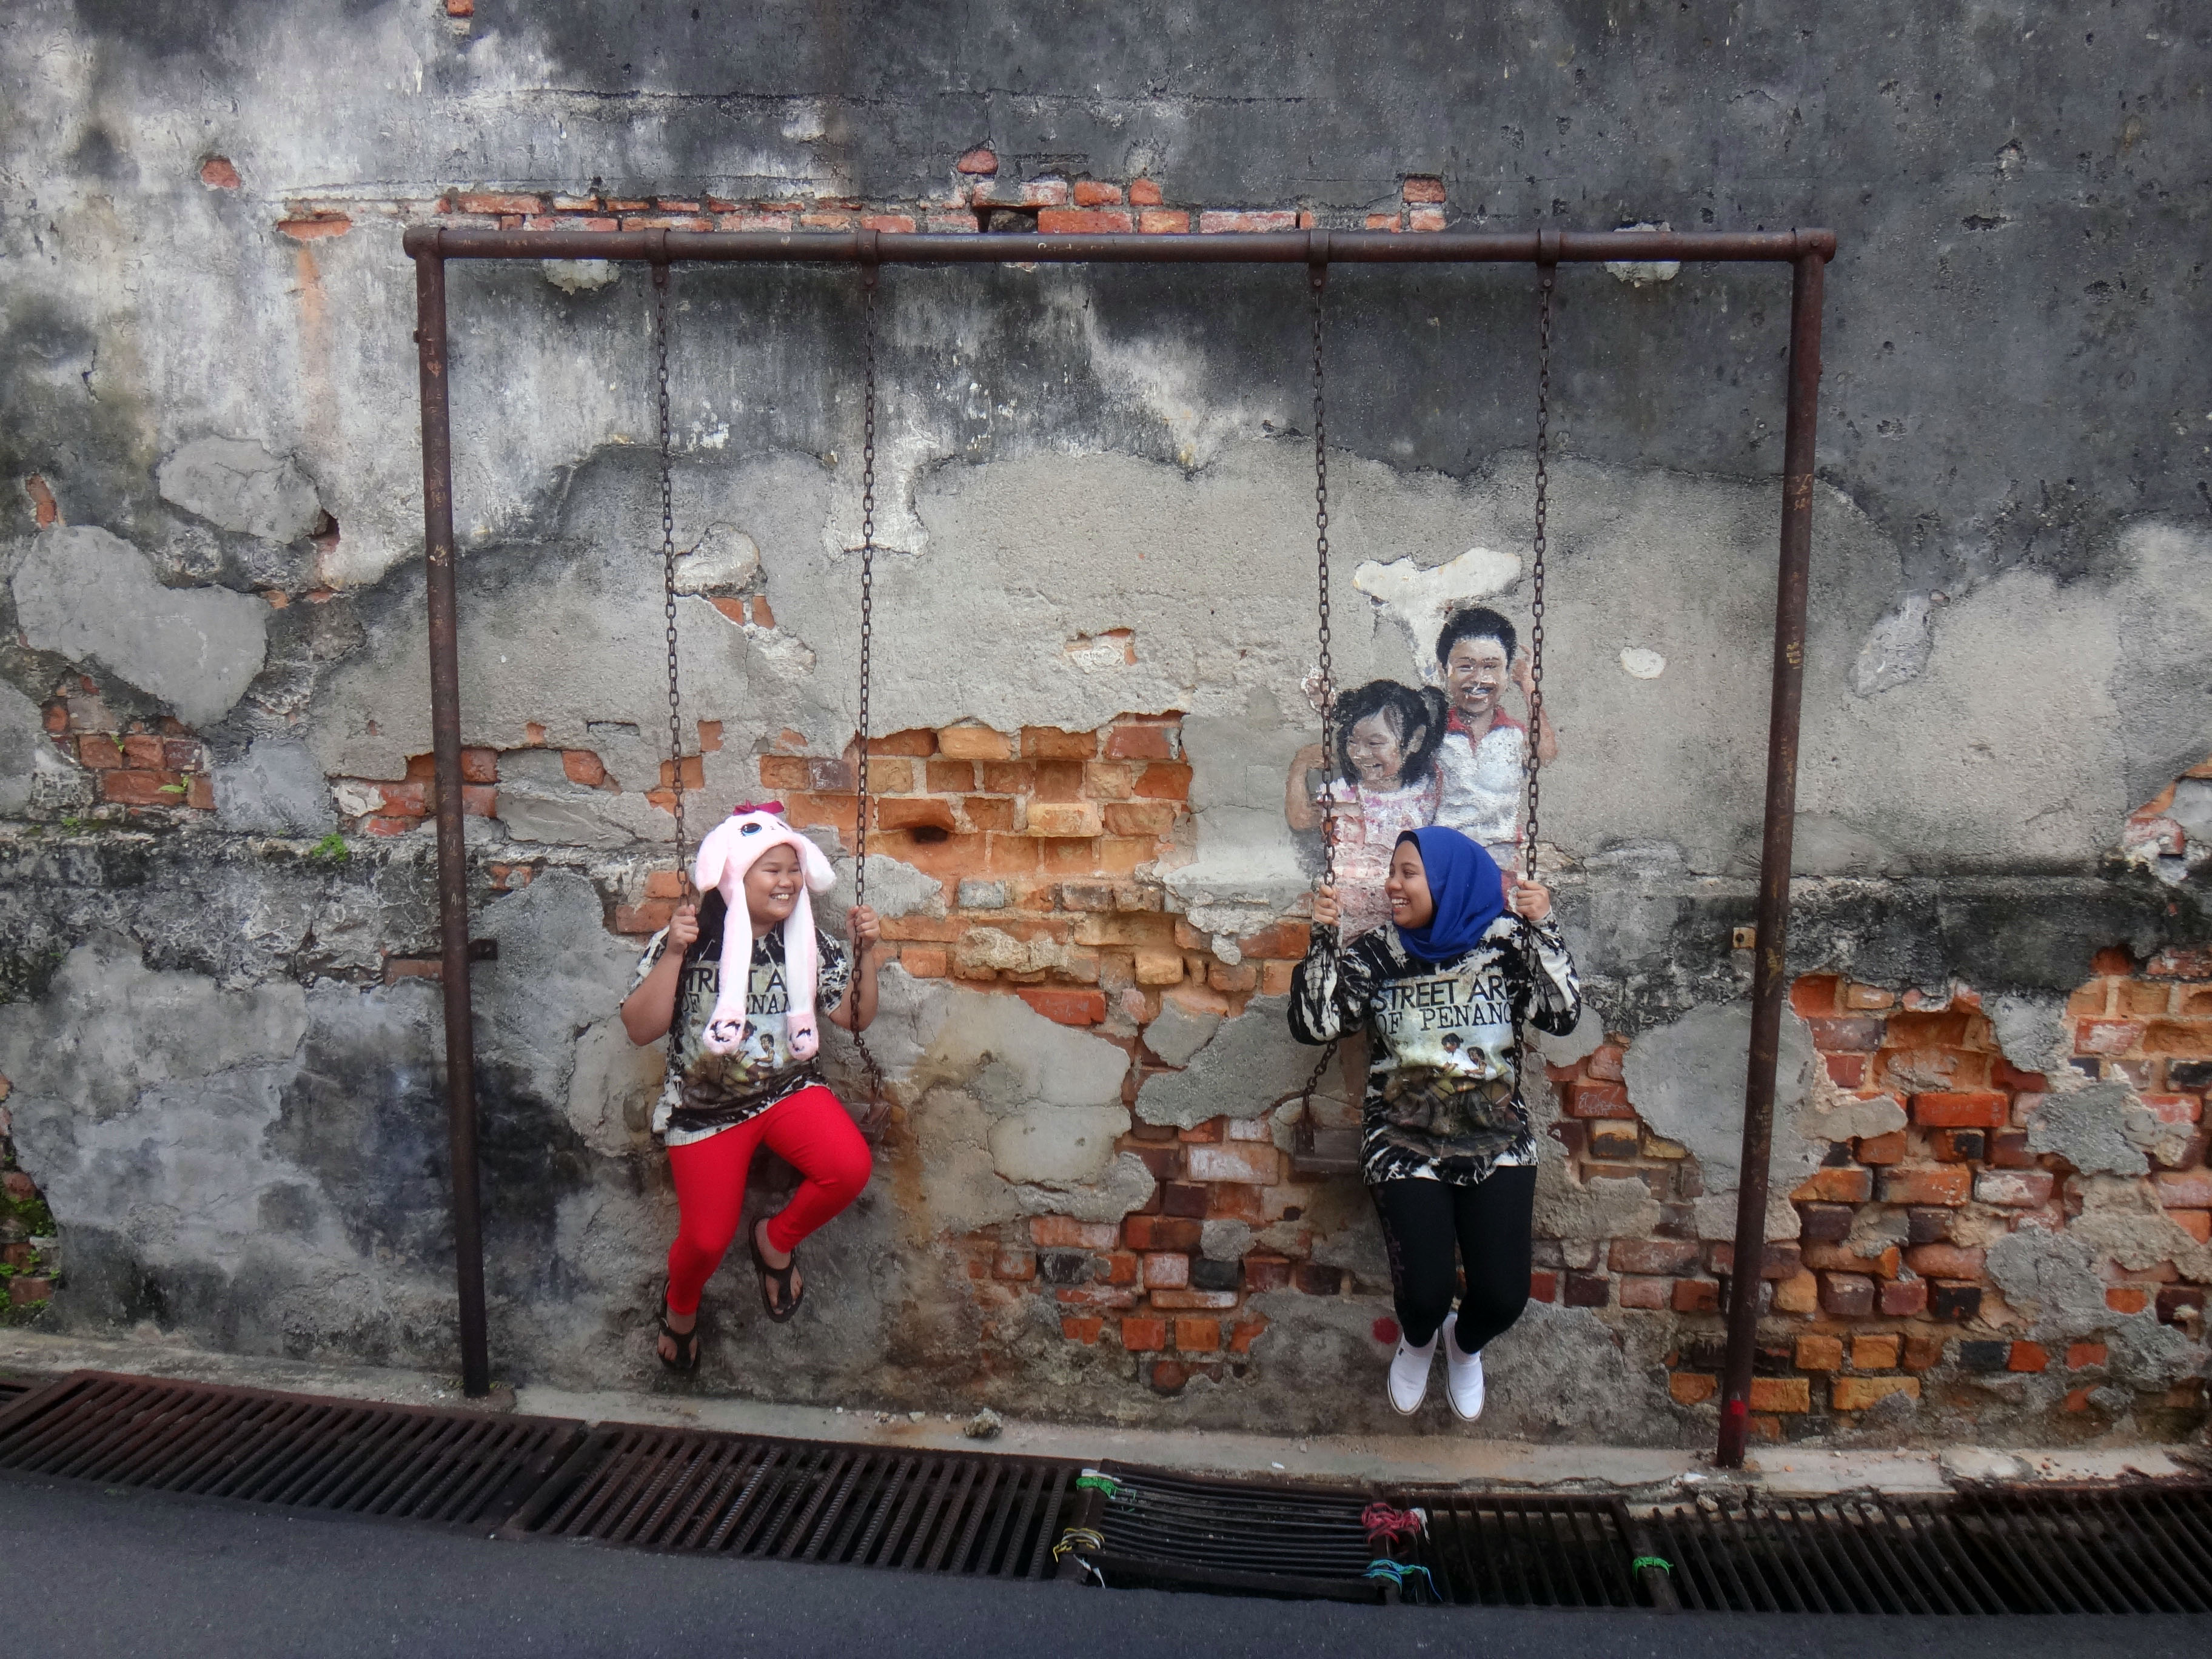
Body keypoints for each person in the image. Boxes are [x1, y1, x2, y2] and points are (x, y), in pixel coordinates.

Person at [1288, 825, 1580, 1420]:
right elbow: (1315, 1025)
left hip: (1494, 1137)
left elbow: (1563, 1013)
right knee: (1421, 1296)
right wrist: (1323, 940)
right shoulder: (1378, 954)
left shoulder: (1504, 945)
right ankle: (1421, 1338)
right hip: (1402, 1141)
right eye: (1392, 872)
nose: (1392, 885)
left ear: (1447, 881)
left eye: (1407, 873)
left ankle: (1464, 1345)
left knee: (1502, 1297)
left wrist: (1544, 925)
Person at [621, 804, 883, 1373]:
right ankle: (681, 1305)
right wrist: (671, 951)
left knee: (849, 1168)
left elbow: (854, 1019)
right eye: (773, 869)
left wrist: (866, 952)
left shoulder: (809, 944)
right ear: (738, 875)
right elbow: (640, 1028)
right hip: (704, 1109)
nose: (788, 881)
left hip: (787, 1090)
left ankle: (775, 1239)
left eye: (794, 868)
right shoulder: (692, 939)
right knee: (706, 1242)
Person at [1284, 679, 1444, 939]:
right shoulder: (1344, 794)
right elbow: (1301, 819)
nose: (1360, 754)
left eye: (1375, 743)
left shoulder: (1427, 794)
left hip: (1410, 924)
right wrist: (1300, 766)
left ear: (1415, 741)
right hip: (1351, 927)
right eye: (1352, 741)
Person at [1430, 606, 1558, 876]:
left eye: (1491, 666)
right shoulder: (1434, 734)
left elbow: (1545, 754)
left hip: (1499, 868)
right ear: (1444, 671)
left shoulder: (1515, 734)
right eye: (1466, 666)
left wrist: (1529, 688)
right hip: (1442, 865)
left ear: (1507, 674)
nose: (1479, 679)